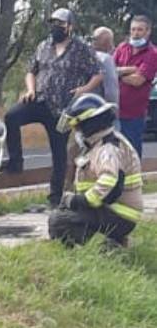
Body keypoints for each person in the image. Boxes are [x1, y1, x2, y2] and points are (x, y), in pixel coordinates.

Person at [2, 8, 103, 207]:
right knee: (11, 117)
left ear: (70, 27)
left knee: (58, 152)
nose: (56, 28)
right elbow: (31, 71)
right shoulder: (43, 46)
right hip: (39, 100)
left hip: (62, 108)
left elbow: (98, 73)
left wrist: (84, 89)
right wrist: (30, 89)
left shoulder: (81, 49)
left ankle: (55, 197)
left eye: (60, 24)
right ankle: (15, 161)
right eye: (53, 23)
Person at [49, 94, 142, 248]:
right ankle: (112, 243)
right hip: (113, 211)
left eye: (76, 127)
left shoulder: (108, 148)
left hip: (118, 214)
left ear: (88, 124)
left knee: (60, 220)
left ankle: (102, 247)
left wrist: (81, 201)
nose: (75, 131)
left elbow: (109, 181)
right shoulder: (99, 144)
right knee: (67, 211)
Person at [114, 15, 157, 157]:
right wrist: (130, 69)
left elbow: (138, 80)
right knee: (115, 153)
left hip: (134, 114)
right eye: (133, 29)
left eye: (140, 30)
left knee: (131, 153)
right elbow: (108, 70)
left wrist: (118, 72)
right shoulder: (122, 47)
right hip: (114, 110)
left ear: (148, 31)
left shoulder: (152, 53)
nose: (135, 33)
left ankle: (133, 180)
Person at [92, 26, 119, 106]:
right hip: (98, 108)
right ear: (108, 43)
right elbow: (111, 92)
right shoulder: (106, 59)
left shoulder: (85, 55)